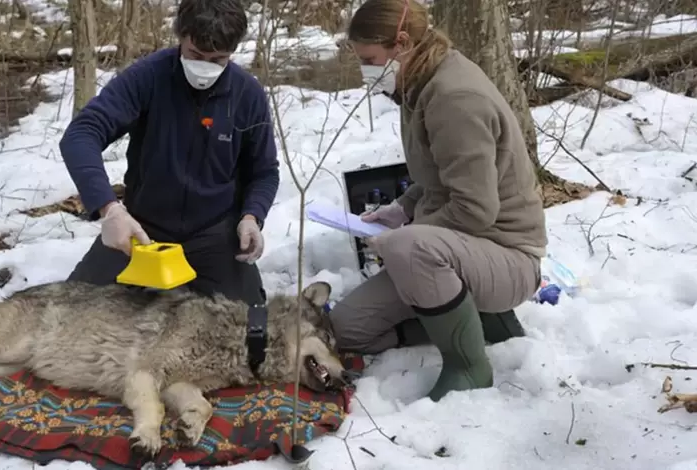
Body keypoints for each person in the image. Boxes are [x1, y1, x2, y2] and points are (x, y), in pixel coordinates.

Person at [328, 0, 548, 401]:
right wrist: (404, 208)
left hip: (508, 254)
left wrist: (407, 238)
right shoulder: (418, 82)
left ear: (400, 43)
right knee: (347, 329)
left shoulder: (455, 96)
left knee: (408, 248)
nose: (366, 72)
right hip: (459, 248)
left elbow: (475, 209)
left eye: (370, 59)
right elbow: (441, 177)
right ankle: (484, 324)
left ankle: (468, 365)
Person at [58, 0, 279, 306]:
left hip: (213, 234)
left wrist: (252, 216)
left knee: (247, 324)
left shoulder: (247, 94)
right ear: (180, 37)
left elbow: (264, 171)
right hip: (143, 232)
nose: (205, 67)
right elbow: (81, 134)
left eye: (218, 60)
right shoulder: (147, 77)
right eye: (195, 55)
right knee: (72, 311)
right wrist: (110, 209)